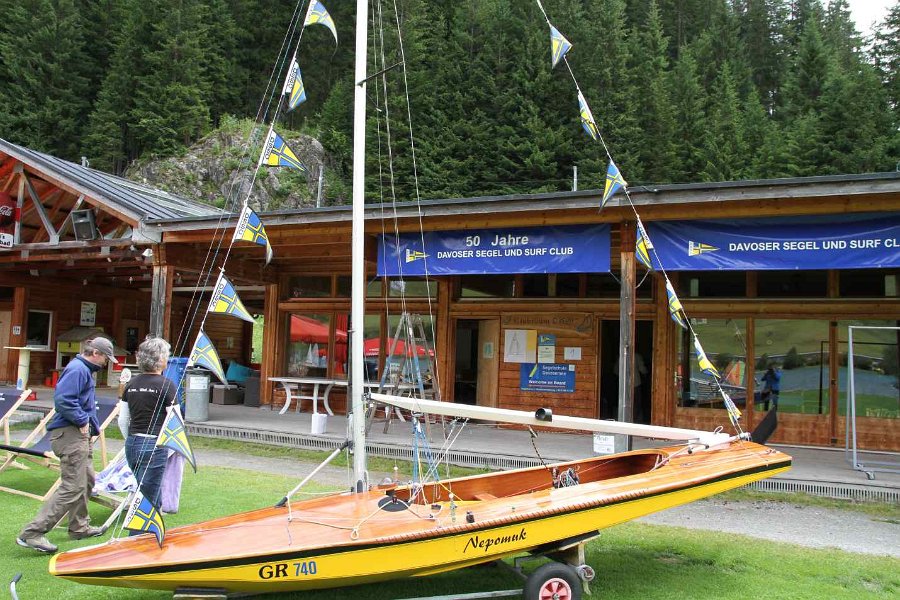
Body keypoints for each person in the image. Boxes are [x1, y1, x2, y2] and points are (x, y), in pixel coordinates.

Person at [17, 337, 118, 553]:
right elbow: (63, 400)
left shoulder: (83, 369)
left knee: (87, 480)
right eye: (106, 358)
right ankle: (32, 533)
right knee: (72, 486)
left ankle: (79, 527)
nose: (106, 363)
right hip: (69, 435)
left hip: (77, 435)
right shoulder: (78, 370)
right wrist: (82, 421)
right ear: (96, 353)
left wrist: (89, 428)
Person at [118, 336, 177, 509]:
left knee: (144, 489)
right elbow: (175, 421)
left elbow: (122, 420)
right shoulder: (167, 385)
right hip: (154, 444)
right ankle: (142, 525)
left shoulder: (131, 384)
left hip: (132, 443)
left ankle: (149, 519)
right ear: (161, 360)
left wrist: (130, 439)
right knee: (148, 498)